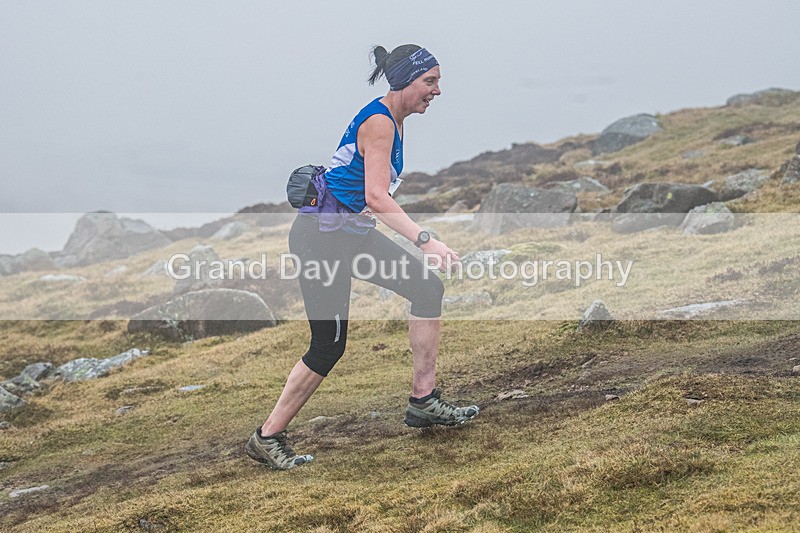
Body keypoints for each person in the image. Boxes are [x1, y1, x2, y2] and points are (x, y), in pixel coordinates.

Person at [245, 44, 479, 470]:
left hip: (350, 235)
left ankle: (424, 400)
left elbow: (367, 193)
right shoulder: (380, 122)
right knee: (328, 345)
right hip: (321, 240)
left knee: (427, 289)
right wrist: (426, 240)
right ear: (405, 81)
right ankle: (267, 437)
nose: (437, 90)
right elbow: (376, 195)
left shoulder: (396, 119)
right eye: (429, 81)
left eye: (437, 81)